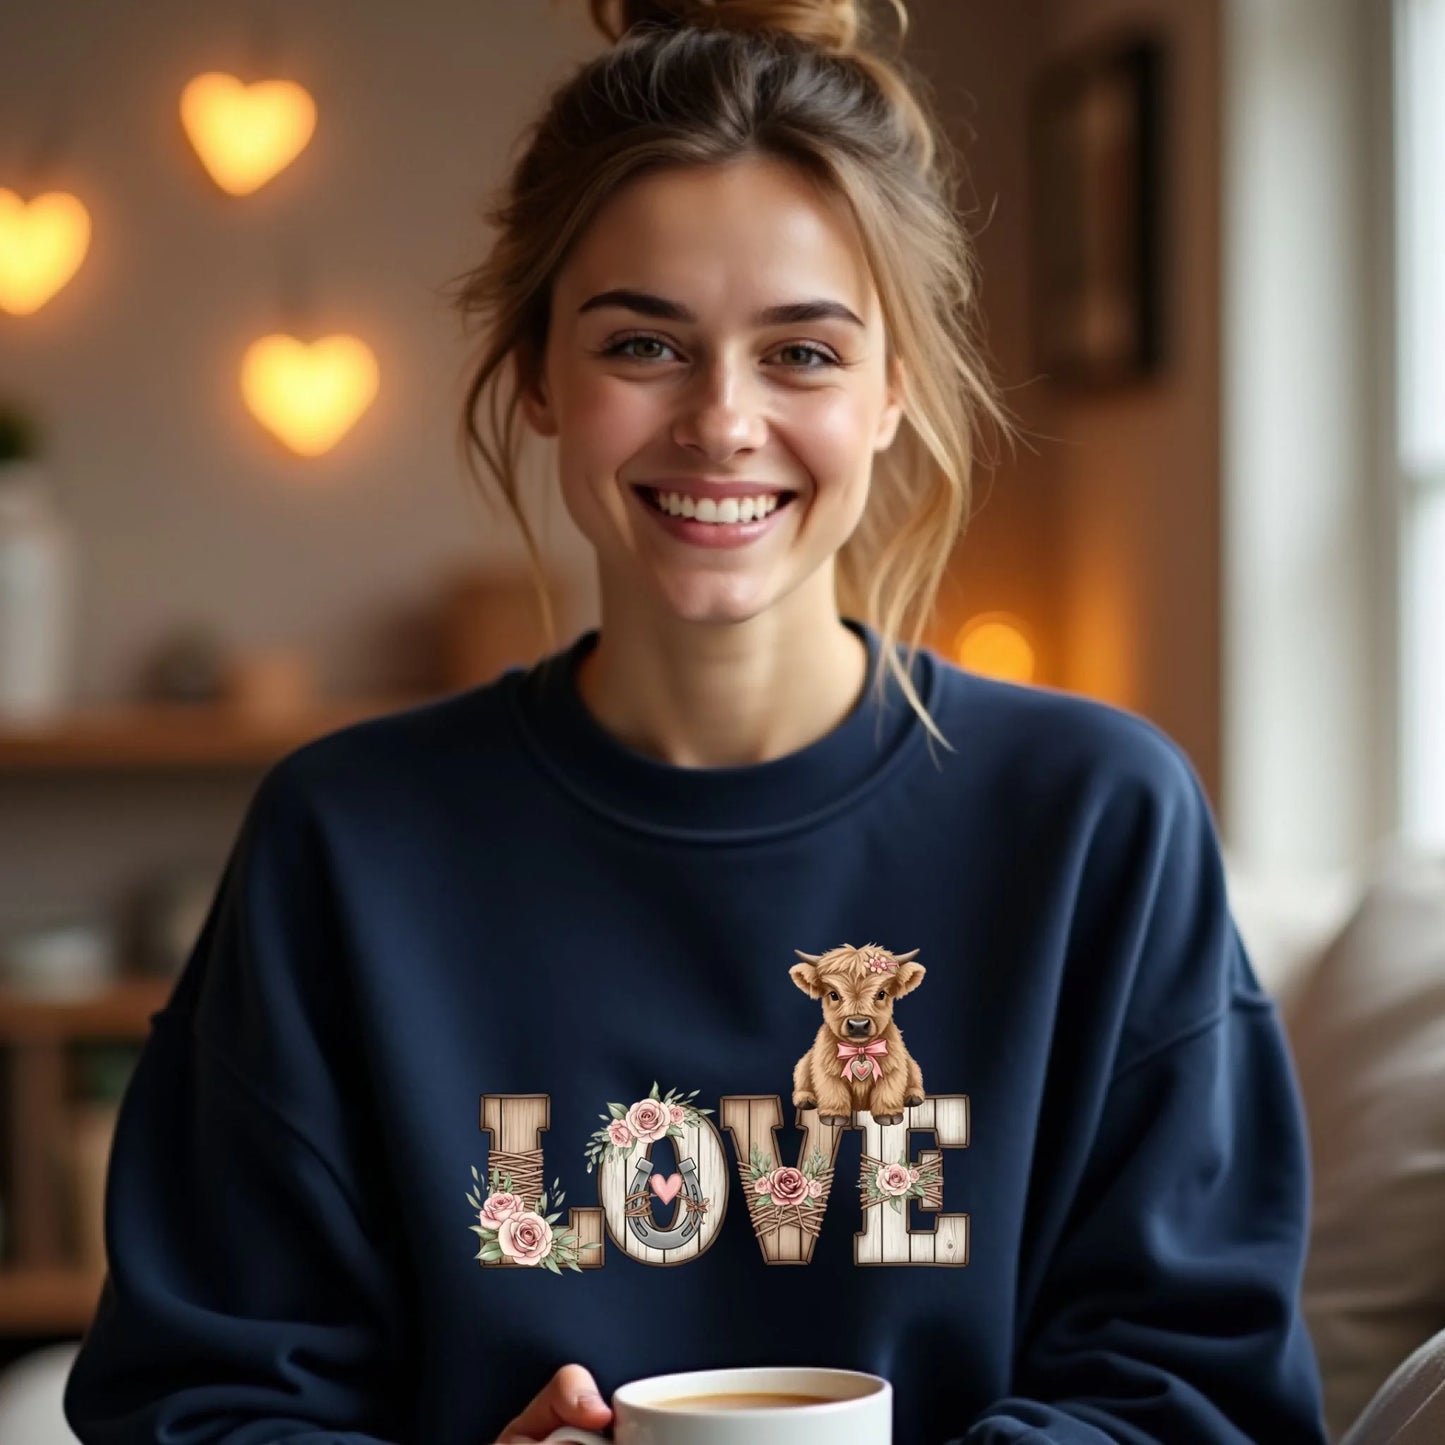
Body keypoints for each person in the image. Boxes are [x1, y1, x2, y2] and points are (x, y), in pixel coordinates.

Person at [63, 1, 1332, 1441]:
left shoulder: (1095, 817)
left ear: (891, 388)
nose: (722, 421)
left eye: (801, 353)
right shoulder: (344, 841)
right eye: (643, 345)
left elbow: (1197, 1390)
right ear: (536, 372)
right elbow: (199, 1397)